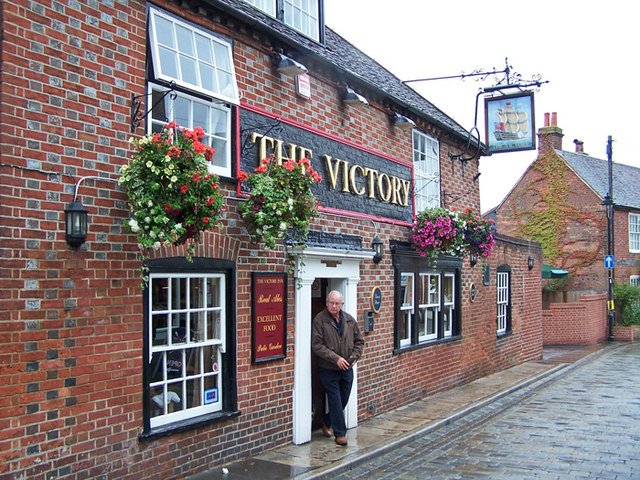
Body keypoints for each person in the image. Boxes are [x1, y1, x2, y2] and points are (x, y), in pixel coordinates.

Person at [311, 290, 364, 446]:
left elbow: (359, 342)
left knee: (344, 398)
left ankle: (326, 421)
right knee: (334, 399)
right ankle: (340, 434)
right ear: (327, 302)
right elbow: (317, 345)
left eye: (337, 303)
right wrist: (336, 359)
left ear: (342, 304)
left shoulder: (349, 320)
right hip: (328, 368)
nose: (334, 306)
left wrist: (354, 358)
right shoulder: (319, 320)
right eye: (331, 303)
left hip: (347, 367)